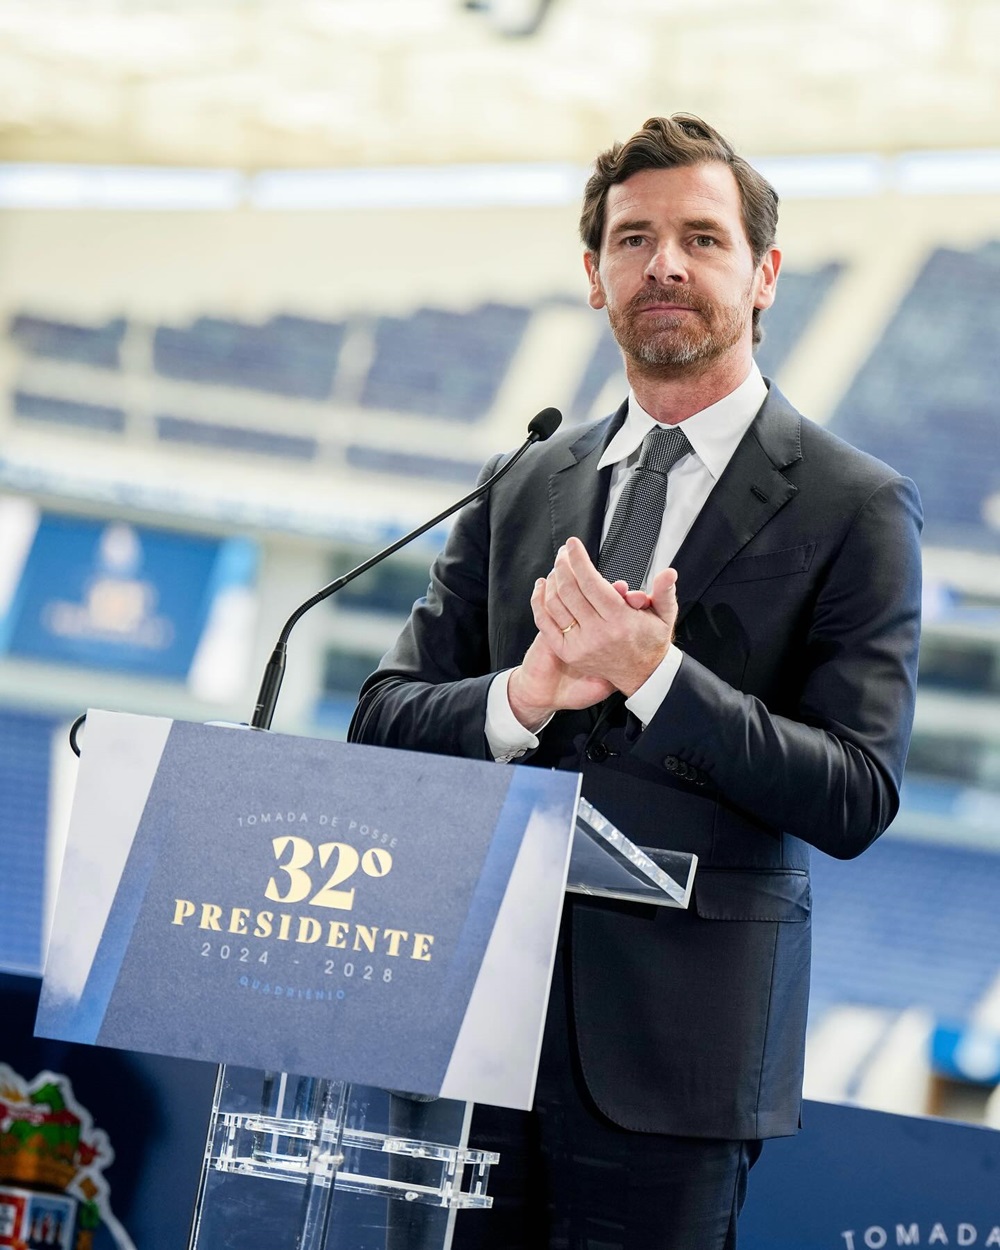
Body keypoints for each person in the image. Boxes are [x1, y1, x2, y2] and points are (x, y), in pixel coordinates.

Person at [349, 114, 922, 1250]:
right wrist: (522, 696)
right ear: (593, 275)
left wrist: (656, 677)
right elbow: (381, 719)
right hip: (465, 1031)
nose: (664, 264)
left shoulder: (854, 504)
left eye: (702, 239)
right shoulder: (521, 478)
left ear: (762, 275)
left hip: (677, 1068)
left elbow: (856, 793)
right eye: (633, 239)